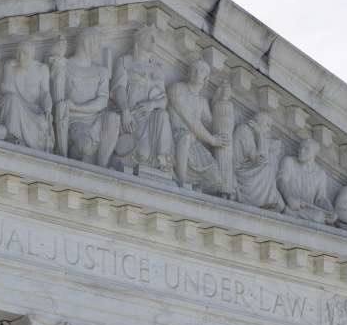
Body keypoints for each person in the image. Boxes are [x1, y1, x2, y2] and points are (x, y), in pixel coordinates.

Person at [53, 28, 121, 167]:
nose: (98, 47)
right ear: (86, 42)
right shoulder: (66, 66)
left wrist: (77, 107)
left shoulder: (101, 71)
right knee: (85, 147)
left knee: (113, 118)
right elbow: (56, 97)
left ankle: (102, 166)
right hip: (74, 121)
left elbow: (103, 101)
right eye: (96, 43)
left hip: (95, 119)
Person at [112, 26, 173, 174]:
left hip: (149, 116)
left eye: (154, 38)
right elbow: (118, 88)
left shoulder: (157, 69)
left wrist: (151, 104)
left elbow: (163, 101)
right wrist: (125, 110)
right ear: (139, 40)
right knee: (142, 153)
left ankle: (164, 162)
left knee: (163, 115)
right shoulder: (125, 61)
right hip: (130, 116)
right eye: (149, 37)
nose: (153, 41)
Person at [167, 60, 229, 191]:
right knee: (185, 137)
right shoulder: (177, 89)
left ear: (206, 78)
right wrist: (212, 140)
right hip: (174, 136)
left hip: (194, 144)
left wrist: (219, 101)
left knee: (215, 177)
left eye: (201, 71)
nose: (196, 73)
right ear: (188, 73)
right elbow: (190, 120)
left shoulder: (202, 102)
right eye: (194, 69)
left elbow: (211, 127)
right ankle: (181, 180)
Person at [0, 40, 54, 152]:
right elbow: (6, 89)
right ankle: (13, 136)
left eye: (25, 54)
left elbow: (45, 93)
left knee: (42, 122)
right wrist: (14, 71)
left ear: (33, 55)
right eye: (18, 53)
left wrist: (48, 109)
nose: (21, 57)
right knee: (12, 99)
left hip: (33, 110)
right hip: (14, 105)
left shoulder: (42, 69)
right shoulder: (10, 66)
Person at [231, 113, 285, 210]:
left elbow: (261, 159)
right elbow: (259, 158)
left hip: (248, 168)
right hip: (240, 171)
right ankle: (260, 201)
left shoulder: (252, 132)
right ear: (259, 122)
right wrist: (259, 135)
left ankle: (267, 200)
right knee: (267, 169)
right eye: (267, 125)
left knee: (269, 165)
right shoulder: (244, 130)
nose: (269, 129)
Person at [278, 138, 334, 223]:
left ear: (314, 153)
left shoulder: (320, 173)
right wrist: (288, 197)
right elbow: (281, 181)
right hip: (288, 202)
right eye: (301, 147)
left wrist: (331, 211)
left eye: (306, 149)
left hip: (306, 209)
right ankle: (288, 211)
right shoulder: (289, 161)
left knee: (319, 217)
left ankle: (291, 213)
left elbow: (320, 198)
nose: (301, 150)